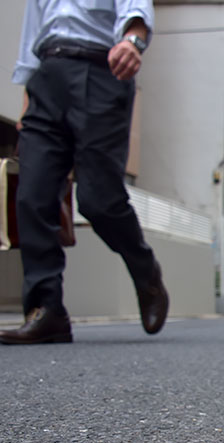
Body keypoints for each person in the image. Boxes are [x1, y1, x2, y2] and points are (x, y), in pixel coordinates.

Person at [0, 0, 168, 345]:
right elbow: (31, 43)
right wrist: (27, 107)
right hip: (46, 79)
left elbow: (135, 11)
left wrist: (132, 43)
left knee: (99, 200)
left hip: (102, 71)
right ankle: (46, 311)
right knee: (32, 194)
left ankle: (145, 269)